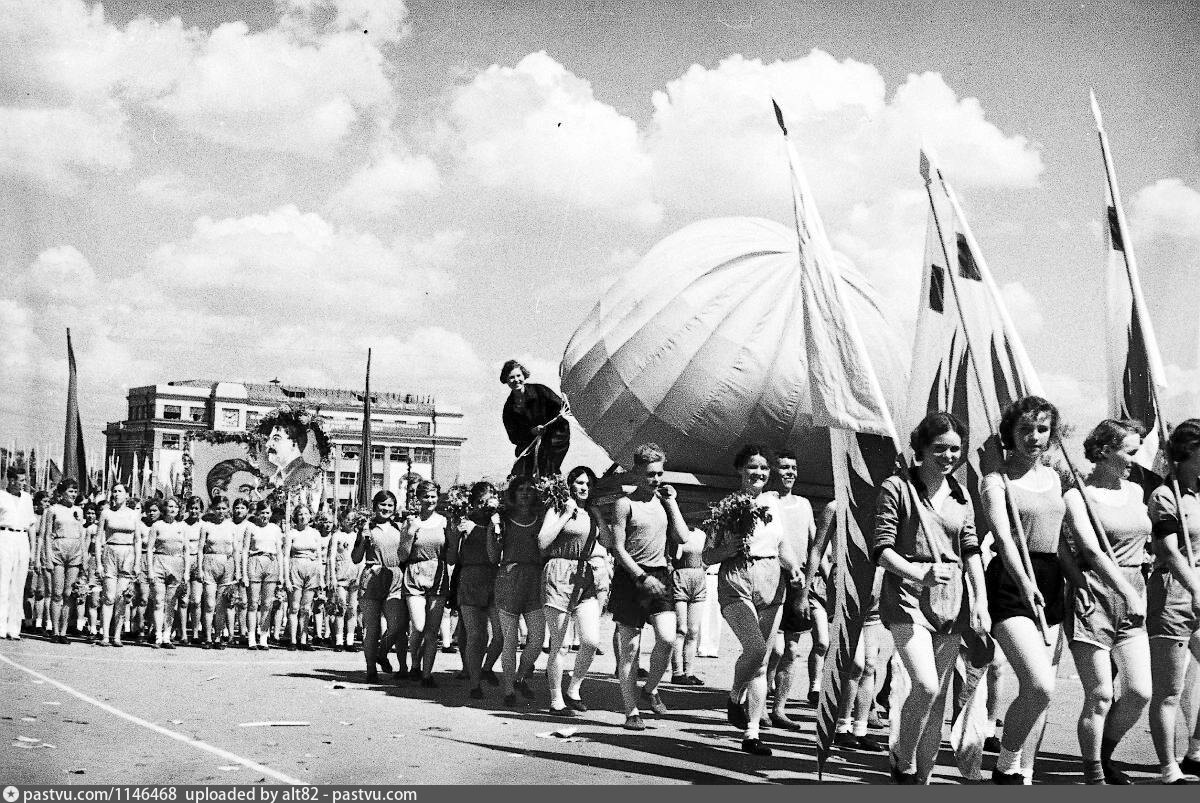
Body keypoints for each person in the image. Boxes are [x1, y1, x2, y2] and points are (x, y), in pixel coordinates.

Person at [872, 411, 989, 783]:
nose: (949, 456)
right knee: (925, 684)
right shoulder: (897, 487)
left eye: (955, 449)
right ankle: (902, 762)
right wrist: (917, 573)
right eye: (939, 449)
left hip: (952, 598)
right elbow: (882, 549)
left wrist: (981, 601)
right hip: (908, 594)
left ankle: (922, 778)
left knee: (935, 702)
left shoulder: (961, 494)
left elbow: (970, 549)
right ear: (921, 448)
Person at [982, 395, 1087, 784]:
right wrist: (1025, 583)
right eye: (1025, 429)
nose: (1034, 436)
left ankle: (1023, 775)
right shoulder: (996, 480)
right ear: (1010, 433)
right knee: (1039, 684)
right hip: (1012, 581)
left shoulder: (1055, 478)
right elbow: (1005, 538)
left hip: (1050, 579)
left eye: (1042, 429)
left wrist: (1078, 581)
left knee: (1040, 696)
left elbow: (1058, 540)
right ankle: (1005, 765)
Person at [1061, 420, 1154, 784]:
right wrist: (1126, 591)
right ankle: (1094, 775)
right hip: (1095, 595)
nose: (1136, 459)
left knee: (1138, 692)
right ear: (1103, 452)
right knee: (1099, 693)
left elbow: (1143, 538)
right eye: (1130, 452)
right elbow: (1091, 549)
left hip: (1134, 591)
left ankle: (1104, 753)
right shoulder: (1077, 496)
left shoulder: (1136, 491)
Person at [703, 445, 802, 756]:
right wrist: (728, 548)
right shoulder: (727, 507)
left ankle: (752, 732)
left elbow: (782, 545)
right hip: (737, 578)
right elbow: (707, 554)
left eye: (763, 469)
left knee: (761, 661)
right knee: (756, 648)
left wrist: (794, 567)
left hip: (773, 580)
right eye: (752, 468)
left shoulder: (774, 505)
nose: (759, 473)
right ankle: (734, 696)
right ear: (740, 471)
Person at [611, 442, 689, 731]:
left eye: (659, 474)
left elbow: (682, 538)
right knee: (629, 648)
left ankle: (650, 688)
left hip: (660, 574)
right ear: (636, 473)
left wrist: (673, 502)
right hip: (631, 578)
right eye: (649, 474)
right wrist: (641, 577)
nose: (655, 480)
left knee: (669, 638)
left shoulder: (664, 502)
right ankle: (631, 711)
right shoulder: (625, 503)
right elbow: (619, 549)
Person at [1147, 419, 1200, 784]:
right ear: (1185, 453)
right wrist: (1197, 589)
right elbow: (1168, 552)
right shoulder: (1165, 496)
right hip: (1175, 593)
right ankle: (1169, 767)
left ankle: (1195, 748)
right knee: (1169, 688)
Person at [538, 466, 612, 716]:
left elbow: (609, 543)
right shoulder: (558, 507)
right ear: (570, 484)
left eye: (589, 484)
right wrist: (565, 515)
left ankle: (574, 689)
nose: (584, 488)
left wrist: (600, 517)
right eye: (580, 483)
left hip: (586, 576)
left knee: (590, 640)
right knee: (560, 644)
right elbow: (542, 542)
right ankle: (556, 699)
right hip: (559, 572)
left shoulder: (592, 513)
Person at [765, 449, 817, 729]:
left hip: (798, 582)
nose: (790, 473)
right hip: (772, 577)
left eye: (793, 468)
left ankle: (779, 709)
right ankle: (757, 704)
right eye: (784, 467)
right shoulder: (767, 500)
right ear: (774, 471)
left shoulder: (805, 504)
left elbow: (814, 542)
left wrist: (810, 581)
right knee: (771, 649)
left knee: (792, 650)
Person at [490, 476, 547, 705]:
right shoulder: (503, 519)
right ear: (513, 493)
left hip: (535, 580)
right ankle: (508, 689)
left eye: (529, 489)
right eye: (520, 489)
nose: (525, 493)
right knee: (510, 640)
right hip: (509, 580)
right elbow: (494, 555)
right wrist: (493, 533)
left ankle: (521, 676)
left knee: (538, 639)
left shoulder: (542, 519)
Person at [398, 481, 453, 685]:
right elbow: (402, 556)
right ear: (418, 499)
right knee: (419, 626)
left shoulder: (445, 522)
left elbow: (451, 551)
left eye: (433, 496)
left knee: (432, 630)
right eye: (425, 497)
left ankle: (427, 674)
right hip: (415, 573)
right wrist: (410, 533)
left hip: (437, 575)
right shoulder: (411, 522)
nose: (430, 501)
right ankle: (414, 664)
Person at [453, 482, 503, 700]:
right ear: (472, 503)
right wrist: (456, 534)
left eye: (489, 502)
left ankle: (486, 667)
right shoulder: (465, 524)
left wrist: (495, 528)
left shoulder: (498, 524)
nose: (484, 507)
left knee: (501, 634)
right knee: (476, 635)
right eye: (480, 502)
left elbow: (495, 556)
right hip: (471, 579)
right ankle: (475, 683)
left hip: (494, 578)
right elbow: (453, 557)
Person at [354, 491, 405, 681]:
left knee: (396, 624)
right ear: (375, 505)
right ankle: (370, 670)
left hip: (394, 577)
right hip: (372, 578)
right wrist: (363, 539)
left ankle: (381, 653)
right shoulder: (367, 528)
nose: (386, 509)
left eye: (390, 505)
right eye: (383, 505)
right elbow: (356, 558)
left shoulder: (399, 528)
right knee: (372, 628)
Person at [500, 360, 570, 478]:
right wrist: (531, 432)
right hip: (529, 444)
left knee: (548, 470)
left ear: (524, 376)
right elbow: (514, 437)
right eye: (511, 377)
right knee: (521, 472)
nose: (516, 380)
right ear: (506, 380)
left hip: (554, 437)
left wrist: (547, 427)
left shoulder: (540, 390)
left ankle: (553, 486)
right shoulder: (508, 409)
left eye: (518, 375)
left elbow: (562, 408)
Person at [37, 479, 86, 644]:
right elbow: (46, 535)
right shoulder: (52, 510)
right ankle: (55, 631)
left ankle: (64, 632)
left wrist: (84, 559)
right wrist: (47, 557)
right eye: (70, 491)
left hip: (75, 552)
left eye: (75, 491)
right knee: (57, 594)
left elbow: (82, 535)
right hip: (58, 551)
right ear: (62, 492)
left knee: (69, 594)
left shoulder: (79, 511)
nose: (73, 494)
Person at [95, 484, 139, 647]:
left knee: (121, 598)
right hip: (110, 552)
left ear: (127, 495)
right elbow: (99, 538)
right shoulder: (106, 513)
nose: (116, 494)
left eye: (120, 491)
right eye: (114, 491)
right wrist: (99, 563)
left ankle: (117, 636)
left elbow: (137, 540)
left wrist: (137, 563)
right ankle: (105, 635)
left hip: (128, 554)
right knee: (108, 596)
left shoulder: (134, 514)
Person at [145, 497, 189, 649]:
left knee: (171, 603)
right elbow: (150, 548)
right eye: (169, 506)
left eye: (175, 507)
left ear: (179, 509)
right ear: (164, 508)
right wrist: (150, 570)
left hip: (176, 564)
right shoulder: (157, 525)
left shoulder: (183, 527)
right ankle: (157, 635)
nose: (172, 509)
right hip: (159, 563)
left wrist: (187, 572)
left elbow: (186, 551)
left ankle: (166, 636)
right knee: (158, 601)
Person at [0, 465, 37, 640]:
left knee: (18, 585)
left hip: (22, 540)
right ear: (11, 480)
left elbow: (31, 525)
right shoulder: (1, 496)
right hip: (4, 537)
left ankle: (14, 628)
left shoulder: (27, 499)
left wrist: (32, 550)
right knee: (2, 583)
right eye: (21, 480)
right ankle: (0, 626)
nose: (24, 484)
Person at [197, 496, 239, 649]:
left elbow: (236, 551)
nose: (220, 511)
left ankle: (217, 637)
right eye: (218, 508)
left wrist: (238, 572)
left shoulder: (232, 527)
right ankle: (207, 637)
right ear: (213, 509)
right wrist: (200, 569)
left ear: (228, 509)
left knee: (221, 605)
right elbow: (200, 549)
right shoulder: (206, 526)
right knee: (209, 604)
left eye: (223, 508)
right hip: (209, 563)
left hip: (227, 564)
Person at [240, 501, 282, 650]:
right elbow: (244, 550)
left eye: (267, 512)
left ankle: (263, 637)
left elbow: (280, 552)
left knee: (267, 604)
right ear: (256, 513)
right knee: (252, 603)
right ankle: (251, 637)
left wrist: (281, 575)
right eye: (262, 512)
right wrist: (244, 573)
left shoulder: (275, 529)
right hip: (255, 562)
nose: (264, 515)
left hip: (271, 563)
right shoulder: (250, 527)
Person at [670, 523, 707, 687]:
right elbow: (672, 556)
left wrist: (702, 568)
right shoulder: (676, 532)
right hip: (680, 577)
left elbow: (709, 555)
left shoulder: (702, 533)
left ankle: (689, 672)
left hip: (698, 578)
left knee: (693, 630)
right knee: (681, 629)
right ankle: (677, 672)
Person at [282, 505, 323, 651]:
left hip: (311, 570)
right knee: (294, 607)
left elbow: (319, 557)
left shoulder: (315, 533)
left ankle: (304, 639)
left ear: (310, 516)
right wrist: (286, 578)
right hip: (295, 568)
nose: (303, 516)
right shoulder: (291, 533)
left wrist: (321, 578)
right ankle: (293, 640)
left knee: (306, 608)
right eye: (300, 514)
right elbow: (286, 556)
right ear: (295, 516)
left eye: (306, 513)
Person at [327, 511, 362, 651]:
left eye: (353, 519)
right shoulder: (336, 536)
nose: (350, 521)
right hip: (340, 576)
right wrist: (332, 577)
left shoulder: (358, 536)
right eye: (347, 519)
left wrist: (360, 575)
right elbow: (331, 557)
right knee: (340, 608)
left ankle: (350, 640)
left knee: (352, 609)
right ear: (342, 520)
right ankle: (339, 640)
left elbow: (362, 557)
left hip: (354, 576)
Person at [180, 496, 205, 644]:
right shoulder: (182, 525)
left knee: (196, 600)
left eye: (197, 508)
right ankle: (183, 633)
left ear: (201, 510)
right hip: (183, 562)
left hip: (198, 561)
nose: (194, 510)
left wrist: (200, 567)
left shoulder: (203, 525)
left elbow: (203, 548)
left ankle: (195, 632)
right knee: (183, 600)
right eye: (192, 507)